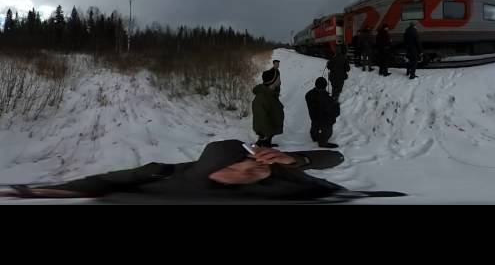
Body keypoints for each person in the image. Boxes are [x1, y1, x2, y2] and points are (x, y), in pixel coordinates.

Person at [3, 140, 347, 201]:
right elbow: (103, 182)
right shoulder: (165, 175)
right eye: (236, 170)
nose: (249, 173)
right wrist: (39, 191)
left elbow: (335, 160)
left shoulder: (279, 174)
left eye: (253, 169)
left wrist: (295, 160)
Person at [305, 77, 340, 148]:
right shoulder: (326, 99)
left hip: (314, 123)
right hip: (324, 127)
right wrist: (336, 104)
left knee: (316, 123)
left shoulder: (309, 94)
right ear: (325, 86)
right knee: (324, 123)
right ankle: (323, 141)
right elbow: (336, 113)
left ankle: (315, 136)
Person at [252, 68, 284, 147]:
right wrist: (265, 133)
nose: (280, 79)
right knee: (264, 140)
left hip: (271, 124)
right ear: (272, 81)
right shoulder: (262, 98)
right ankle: (260, 145)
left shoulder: (271, 92)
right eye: (278, 78)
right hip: (265, 130)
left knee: (269, 137)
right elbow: (260, 118)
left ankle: (267, 143)